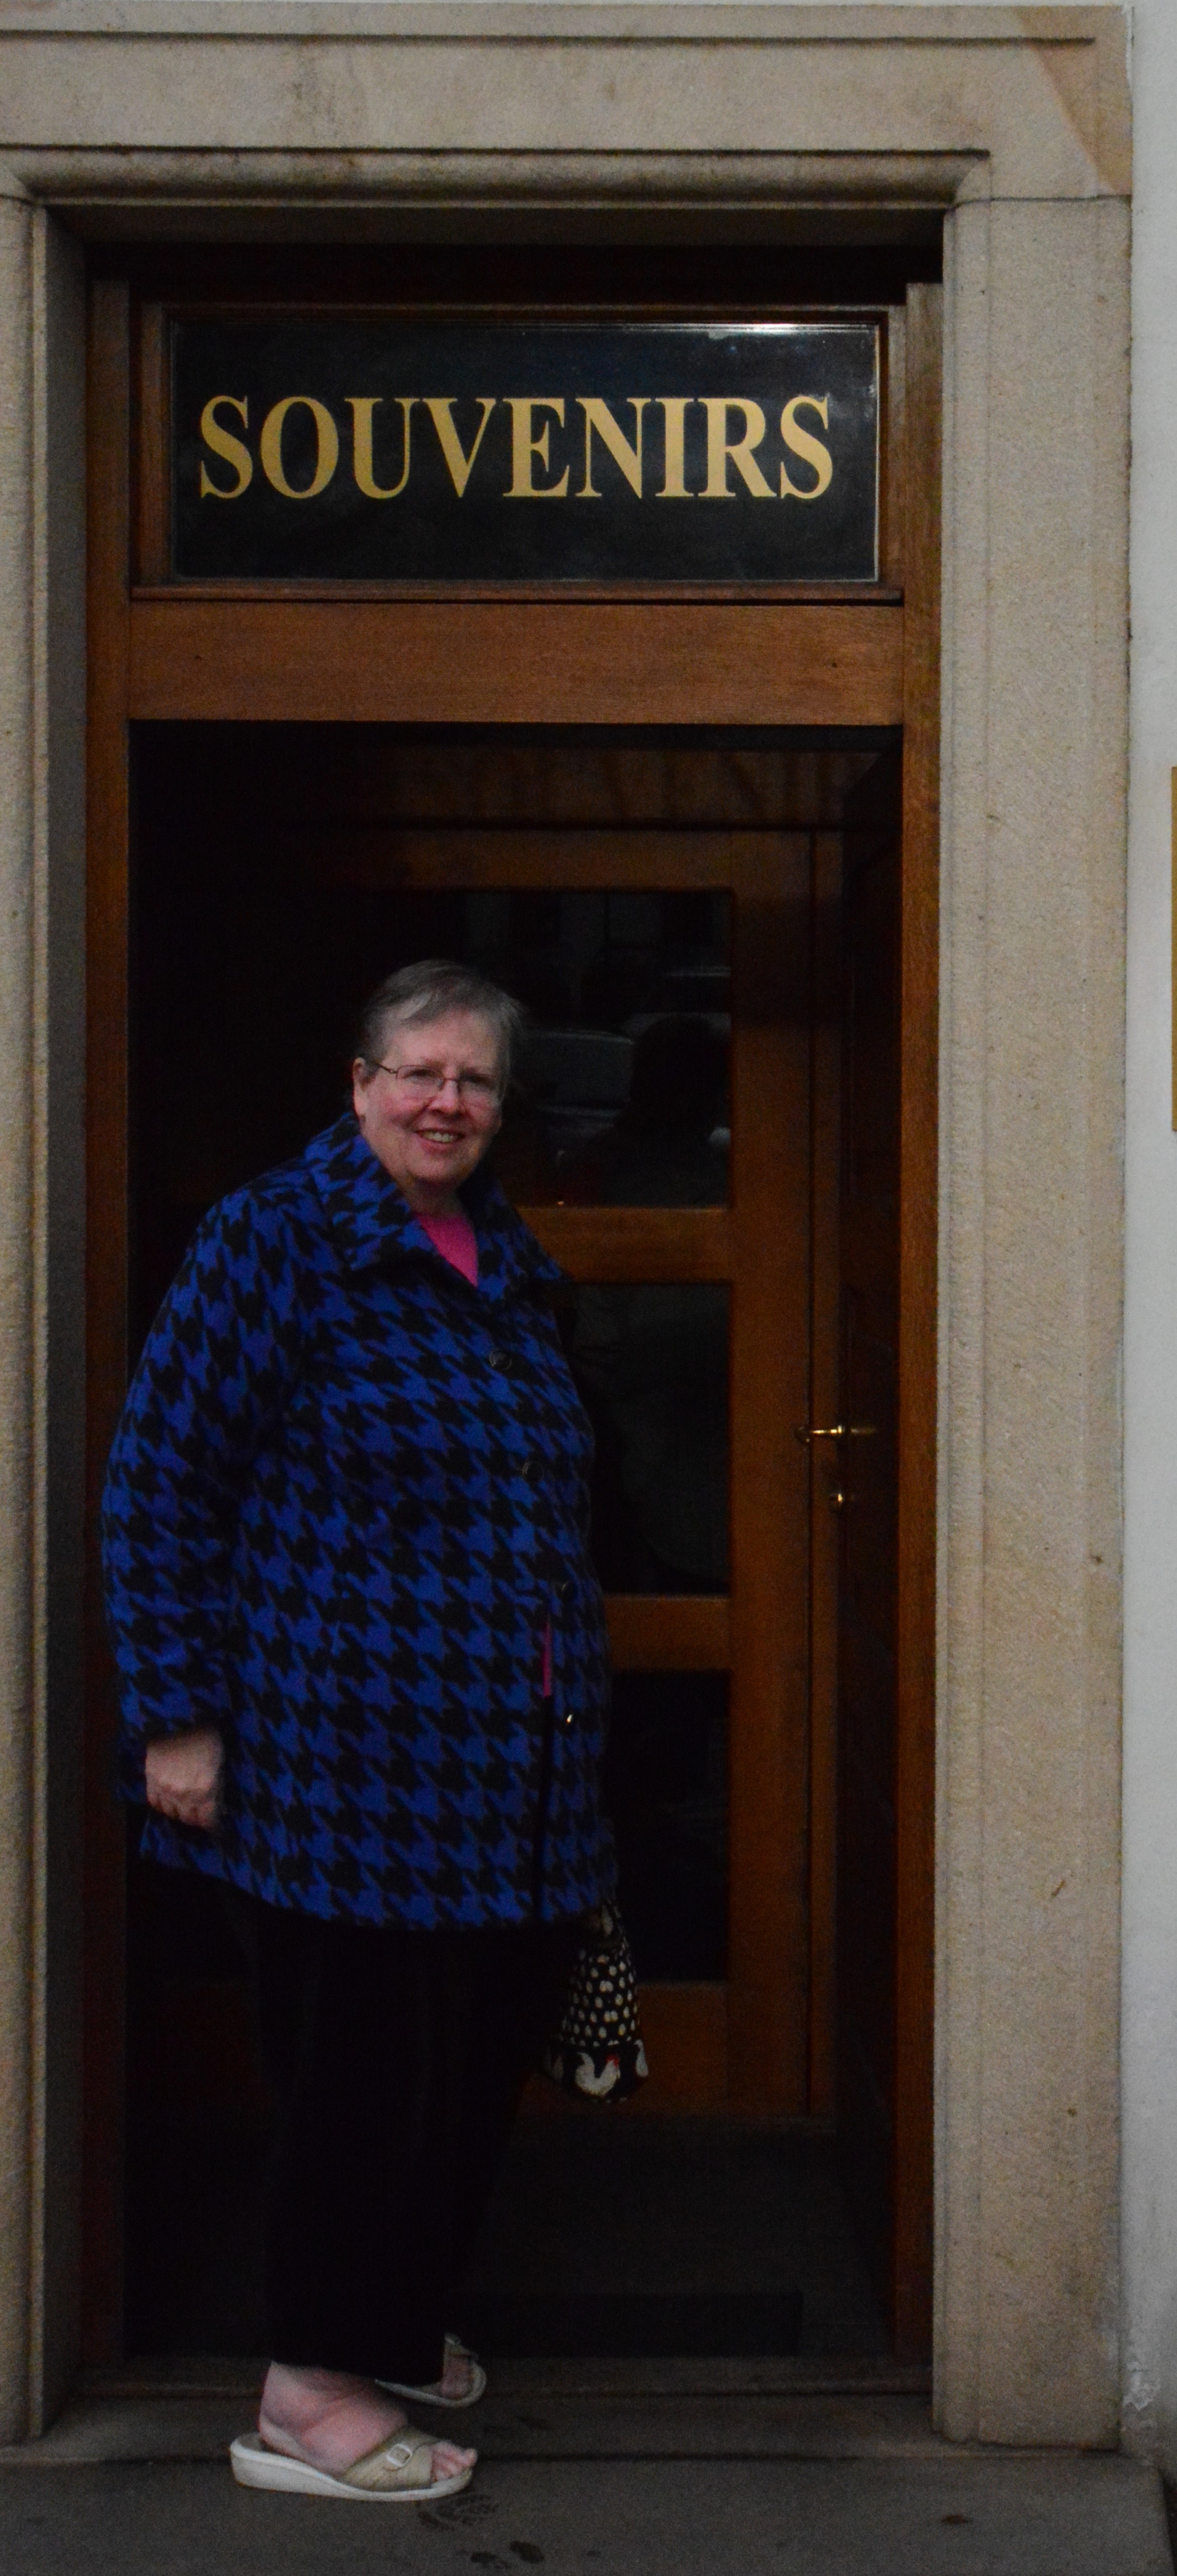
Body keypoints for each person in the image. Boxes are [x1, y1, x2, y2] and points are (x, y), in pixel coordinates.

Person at [103, 960, 613, 2502]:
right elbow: (160, 1484)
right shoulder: (273, 1240)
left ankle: (384, 2321)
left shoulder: (501, 1253)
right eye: (418, 1073)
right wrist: (176, 1719)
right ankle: (309, 2391)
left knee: (466, 2071)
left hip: (512, 1776)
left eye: (474, 1081)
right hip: (343, 1769)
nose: (445, 1102)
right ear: (359, 1084)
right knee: (366, 2084)